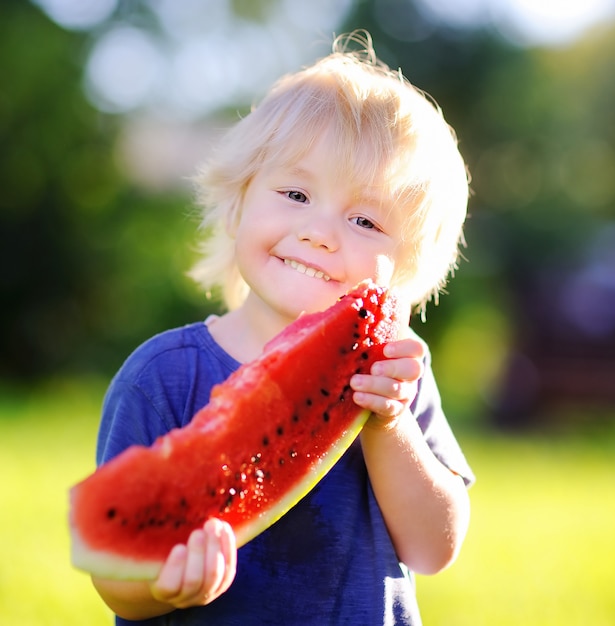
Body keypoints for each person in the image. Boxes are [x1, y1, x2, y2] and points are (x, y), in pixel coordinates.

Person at [92, 30, 475, 625]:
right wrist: (163, 588)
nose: (321, 231)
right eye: (296, 192)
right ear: (239, 200)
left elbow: (433, 550)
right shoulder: (161, 376)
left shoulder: (397, 377)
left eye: (365, 220)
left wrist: (390, 423)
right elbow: (113, 571)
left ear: (406, 268)